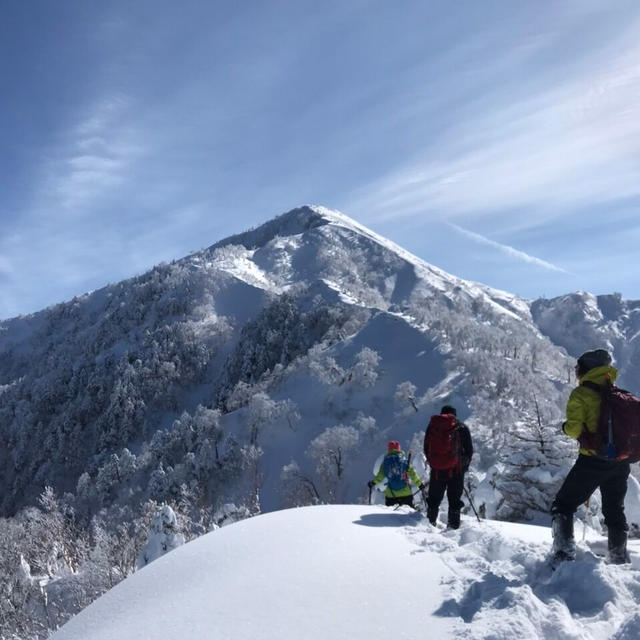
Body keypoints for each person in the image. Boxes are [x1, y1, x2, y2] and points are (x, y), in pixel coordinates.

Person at [550, 349, 631, 565]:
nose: (576, 373)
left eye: (578, 369)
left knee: (563, 505)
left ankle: (563, 556)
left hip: (593, 461)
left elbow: (575, 429)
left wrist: (565, 428)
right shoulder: (619, 394)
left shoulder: (582, 394)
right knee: (615, 512)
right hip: (621, 462)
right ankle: (619, 560)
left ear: (586, 369)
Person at [423, 405, 473, 529]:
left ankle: (430, 524)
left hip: (437, 471)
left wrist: (434, 463)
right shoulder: (461, 427)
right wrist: (463, 467)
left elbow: (426, 448)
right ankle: (453, 526)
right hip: (456, 470)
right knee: (454, 500)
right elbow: (469, 451)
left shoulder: (433, 427)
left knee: (434, 499)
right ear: (454, 415)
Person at [369, 440, 424, 507]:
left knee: (391, 516)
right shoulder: (404, 461)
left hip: (391, 496)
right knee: (409, 516)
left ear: (388, 449)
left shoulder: (386, 463)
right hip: (406, 494)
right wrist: (420, 484)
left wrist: (373, 483)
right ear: (399, 449)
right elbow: (413, 475)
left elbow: (380, 476)